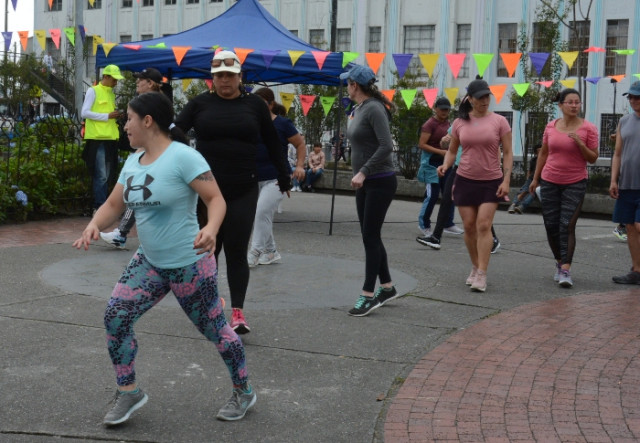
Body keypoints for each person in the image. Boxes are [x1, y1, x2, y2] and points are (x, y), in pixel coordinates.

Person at [72, 92, 256, 425]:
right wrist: (94, 225)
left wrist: (212, 229)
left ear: (147, 121)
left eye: (128, 118)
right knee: (116, 315)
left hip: (190, 264)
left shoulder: (184, 157)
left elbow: (216, 199)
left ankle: (243, 390)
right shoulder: (133, 161)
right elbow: (114, 205)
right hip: (150, 262)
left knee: (216, 330)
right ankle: (128, 391)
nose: (124, 125)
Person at [175, 50, 291, 334]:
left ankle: (237, 312)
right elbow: (175, 132)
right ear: (212, 78)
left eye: (229, 75)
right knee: (208, 251)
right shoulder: (199, 103)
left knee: (237, 252)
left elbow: (273, 142)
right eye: (218, 76)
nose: (224, 81)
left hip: (243, 187)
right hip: (206, 190)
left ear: (240, 77)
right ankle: (211, 307)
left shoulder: (254, 105)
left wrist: (284, 176)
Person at [438, 78, 513, 293]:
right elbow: (452, 150)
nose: (485, 100)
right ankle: (474, 265)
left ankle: (482, 273)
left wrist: (506, 180)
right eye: (480, 97)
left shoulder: (499, 121)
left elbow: (507, 152)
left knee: (483, 224)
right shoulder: (460, 123)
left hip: (491, 180)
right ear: (469, 99)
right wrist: (445, 165)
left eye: (487, 96)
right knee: (469, 225)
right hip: (464, 179)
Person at [340, 64, 400, 317]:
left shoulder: (374, 108)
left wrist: (363, 170)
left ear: (354, 85)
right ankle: (387, 287)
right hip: (366, 182)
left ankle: (367, 295)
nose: (346, 86)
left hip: (380, 180)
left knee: (370, 236)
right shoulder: (358, 108)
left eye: (348, 83)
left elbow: (387, 146)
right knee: (370, 236)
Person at [529, 88, 599, 288]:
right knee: (551, 225)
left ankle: (566, 269)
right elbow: (543, 154)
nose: (575, 105)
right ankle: (559, 264)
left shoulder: (588, 128)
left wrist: (580, 143)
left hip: (575, 182)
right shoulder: (551, 126)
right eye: (570, 102)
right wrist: (535, 179)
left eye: (577, 102)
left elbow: (593, 158)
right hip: (550, 180)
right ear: (561, 105)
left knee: (566, 224)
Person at [100, 67, 167, 249]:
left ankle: (121, 233)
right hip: (145, 152)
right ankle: (123, 233)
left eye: (141, 80)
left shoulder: (156, 103)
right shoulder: (147, 101)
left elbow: (158, 130)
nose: (137, 82)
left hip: (151, 154)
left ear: (151, 83)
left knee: (138, 191)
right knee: (139, 191)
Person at [248, 87, 305, 267]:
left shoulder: (282, 124)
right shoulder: (251, 123)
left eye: (262, 104)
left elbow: (300, 144)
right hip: (253, 177)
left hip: (277, 178)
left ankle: (254, 252)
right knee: (261, 215)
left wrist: (300, 166)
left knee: (261, 211)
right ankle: (271, 251)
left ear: (271, 104)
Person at [417, 133, 502, 254]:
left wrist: (496, 169)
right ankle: (436, 237)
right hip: (458, 168)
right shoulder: (459, 123)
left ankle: (493, 239)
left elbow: (496, 148)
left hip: (477, 170)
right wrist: (444, 143)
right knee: (446, 200)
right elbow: (449, 147)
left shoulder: (484, 123)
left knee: (477, 204)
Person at [415, 97, 463, 238]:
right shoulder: (429, 124)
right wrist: (440, 151)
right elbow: (422, 144)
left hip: (446, 163)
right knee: (432, 195)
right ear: (435, 108)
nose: (444, 112)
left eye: (447, 109)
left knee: (449, 193)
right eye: (442, 109)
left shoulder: (449, 123)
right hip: (431, 164)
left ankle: (448, 223)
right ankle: (424, 224)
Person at [81, 64, 124, 213]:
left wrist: (115, 115)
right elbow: (84, 113)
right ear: (105, 77)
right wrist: (107, 116)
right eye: (114, 79)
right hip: (97, 138)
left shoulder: (111, 93)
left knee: (108, 175)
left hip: (110, 138)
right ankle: (99, 207)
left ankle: (103, 206)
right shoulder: (93, 91)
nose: (116, 83)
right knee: (102, 175)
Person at [609, 81, 640, 285]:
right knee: (629, 226)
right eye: (630, 97)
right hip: (627, 183)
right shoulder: (624, 121)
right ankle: (636, 270)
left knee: (639, 225)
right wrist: (613, 179)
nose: (633, 100)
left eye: (637, 97)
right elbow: (618, 153)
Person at [508, 143, 541, 214]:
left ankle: (522, 206)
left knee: (533, 192)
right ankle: (513, 205)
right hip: (531, 179)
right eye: (538, 151)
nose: (540, 153)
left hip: (541, 181)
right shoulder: (533, 160)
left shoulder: (546, 161)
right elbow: (530, 170)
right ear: (536, 153)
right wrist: (528, 179)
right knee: (523, 191)